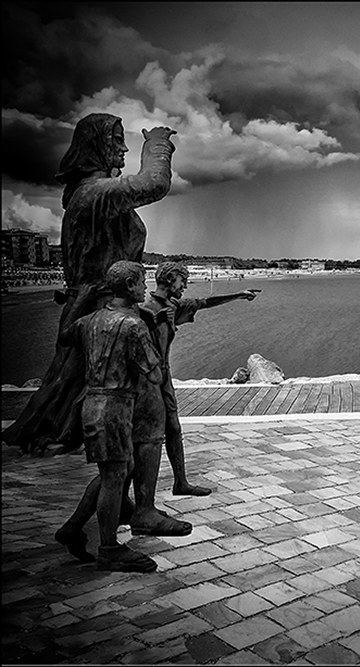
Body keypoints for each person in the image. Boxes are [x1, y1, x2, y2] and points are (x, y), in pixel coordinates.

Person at [2, 114, 177, 456]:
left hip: (102, 304)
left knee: (78, 376)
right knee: (92, 377)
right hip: (102, 308)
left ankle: (67, 431)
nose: (124, 147)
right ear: (95, 146)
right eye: (115, 140)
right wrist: (157, 143)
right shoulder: (94, 194)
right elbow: (154, 184)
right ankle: (76, 436)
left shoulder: (90, 195)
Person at [54, 261, 163, 572]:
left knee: (117, 470)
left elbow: (65, 337)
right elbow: (153, 372)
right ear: (129, 286)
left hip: (93, 404)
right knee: (115, 478)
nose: (146, 288)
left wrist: (78, 303)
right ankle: (109, 548)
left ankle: (73, 528)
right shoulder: (133, 326)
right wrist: (152, 326)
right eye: (142, 282)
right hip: (114, 407)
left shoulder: (90, 321)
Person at [139, 261, 260, 497]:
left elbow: (204, 303)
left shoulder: (172, 305)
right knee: (147, 438)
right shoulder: (145, 309)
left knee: (173, 427)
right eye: (182, 280)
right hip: (146, 380)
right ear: (170, 279)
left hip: (163, 377)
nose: (185, 285)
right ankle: (140, 500)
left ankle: (180, 482)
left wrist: (239, 295)